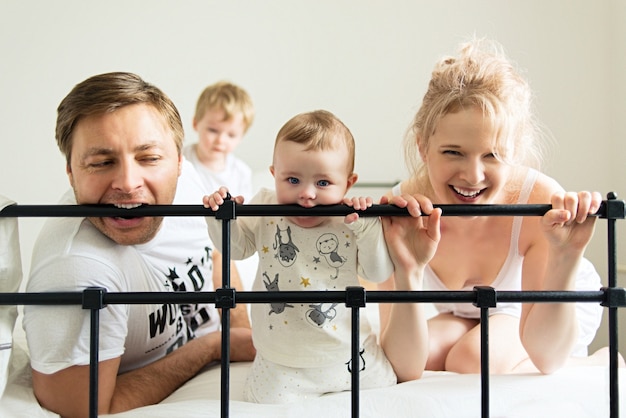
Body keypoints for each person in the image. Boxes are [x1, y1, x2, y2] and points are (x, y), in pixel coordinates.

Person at [22, 72, 255, 418]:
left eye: (149, 158)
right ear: (70, 172)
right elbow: (86, 409)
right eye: (101, 162)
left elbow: (216, 253)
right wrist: (211, 348)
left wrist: (239, 330)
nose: (129, 184)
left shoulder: (191, 185)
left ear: (179, 162)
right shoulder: (75, 269)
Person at [377, 38, 608, 381]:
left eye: (492, 155)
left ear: (513, 153)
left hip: (544, 309)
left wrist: (567, 256)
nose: (473, 176)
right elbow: (401, 367)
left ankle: (598, 362)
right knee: (419, 352)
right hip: (465, 312)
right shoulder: (402, 211)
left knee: (472, 359)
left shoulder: (539, 202)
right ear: (423, 147)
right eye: (453, 152)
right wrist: (408, 270)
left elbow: (546, 356)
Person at [203, 110, 397, 403]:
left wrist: (369, 227)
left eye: (323, 183)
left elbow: (378, 273)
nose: (307, 194)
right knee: (263, 407)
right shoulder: (265, 206)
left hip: (350, 352)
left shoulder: (350, 218)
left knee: (386, 397)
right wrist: (221, 220)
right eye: (292, 179)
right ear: (274, 174)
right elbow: (237, 250)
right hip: (281, 361)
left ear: (348, 182)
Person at [183, 80, 255, 200]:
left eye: (231, 135)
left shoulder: (241, 173)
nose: (220, 140)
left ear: (241, 137)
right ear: (196, 123)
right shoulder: (181, 160)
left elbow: (245, 215)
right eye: (213, 130)